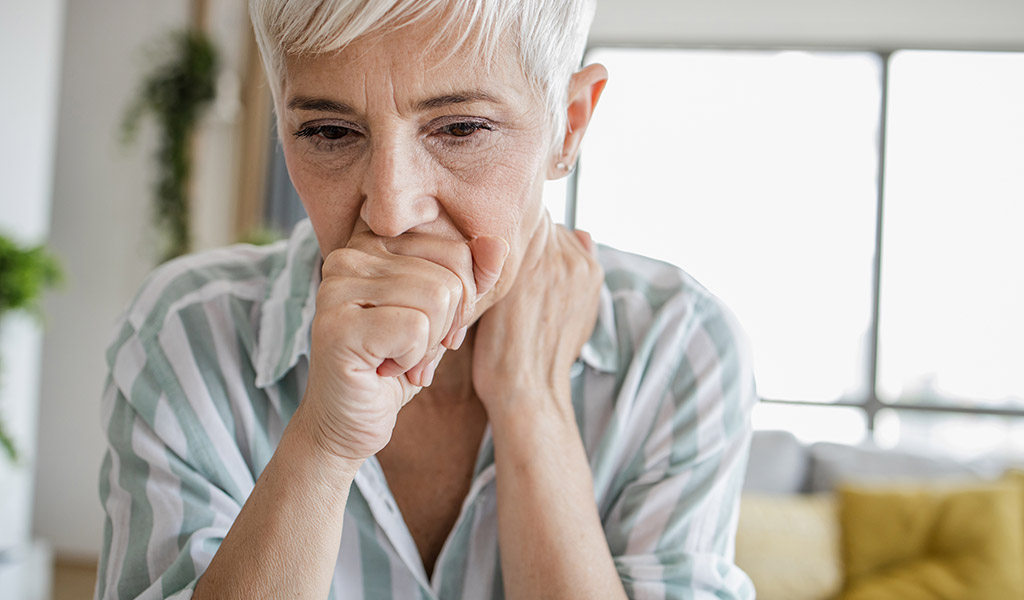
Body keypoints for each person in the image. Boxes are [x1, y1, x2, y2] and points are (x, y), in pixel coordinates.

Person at [96, 0, 757, 598]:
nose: (390, 210)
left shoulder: (679, 348)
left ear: (570, 125)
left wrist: (533, 403)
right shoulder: (187, 333)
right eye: (329, 133)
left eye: (462, 128)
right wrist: (324, 443)